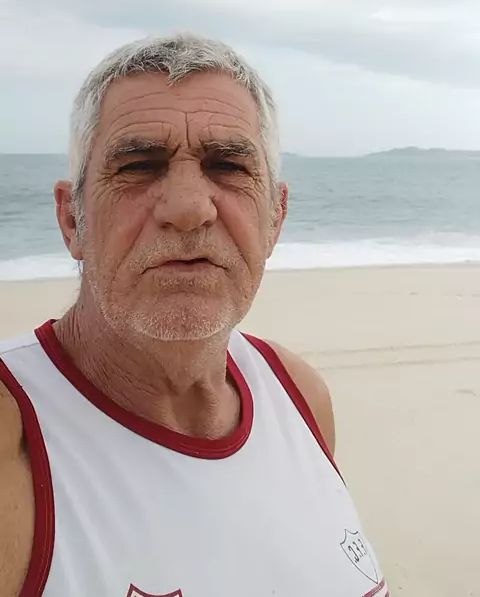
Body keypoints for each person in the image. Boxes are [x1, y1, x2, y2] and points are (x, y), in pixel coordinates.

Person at [0, 35, 389, 597]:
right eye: (139, 165)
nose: (189, 209)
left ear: (275, 219)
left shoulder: (298, 394)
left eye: (228, 165)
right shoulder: (17, 434)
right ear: (71, 221)